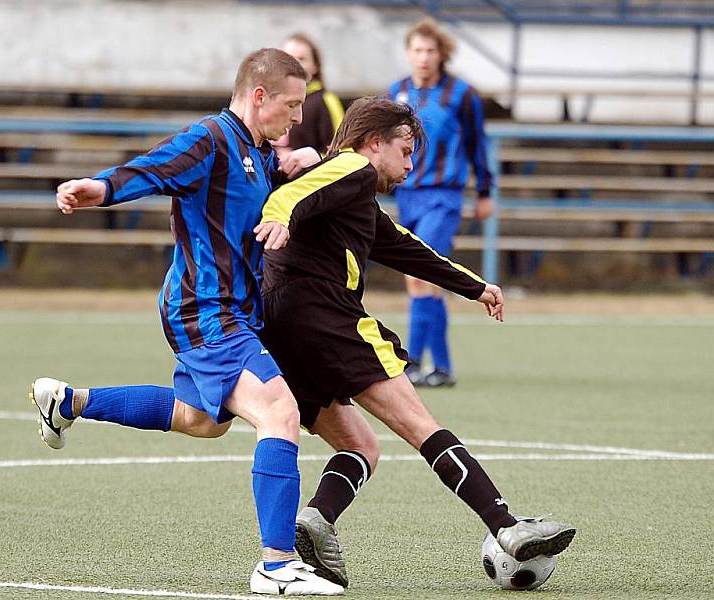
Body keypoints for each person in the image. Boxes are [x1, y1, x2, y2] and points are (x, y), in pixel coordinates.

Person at [31, 48, 343, 596]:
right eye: (292, 105)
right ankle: (276, 565)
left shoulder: (256, 150)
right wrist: (100, 189)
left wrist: (298, 162)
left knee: (202, 420)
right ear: (259, 96)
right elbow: (155, 167)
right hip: (205, 309)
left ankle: (70, 401)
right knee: (279, 409)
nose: (298, 117)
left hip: (230, 309)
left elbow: (265, 189)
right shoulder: (211, 138)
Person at [257, 97, 576, 588]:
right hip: (324, 318)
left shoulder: (353, 200)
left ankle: (316, 520)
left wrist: (476, 287)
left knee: (360, 445)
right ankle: (506, 527)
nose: (409, 166)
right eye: (405, 152)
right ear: (373, 143)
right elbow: (296, 196)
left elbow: (408, 249)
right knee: (421, 425)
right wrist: (280, 210)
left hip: (279, 327)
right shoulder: (353, 169)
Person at [388, 17, 496, 388]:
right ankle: (442, 366)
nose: (423, 57)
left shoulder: (462, 95)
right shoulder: (397, 91)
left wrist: (485, 190)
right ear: (408, 53)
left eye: (430, 51)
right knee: (418, 281)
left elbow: (477, 144)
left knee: (421, 274)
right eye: (417, 50)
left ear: (441, 54)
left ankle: (415, 361)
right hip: (408, 194)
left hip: (444, 196)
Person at [274, 33, 345, 156]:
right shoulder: (269, 98)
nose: (294, 64)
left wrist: (308, 160)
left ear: (315, 66)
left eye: (301, 59)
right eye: (288, 58)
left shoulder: (326, 100)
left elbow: (342, 153)